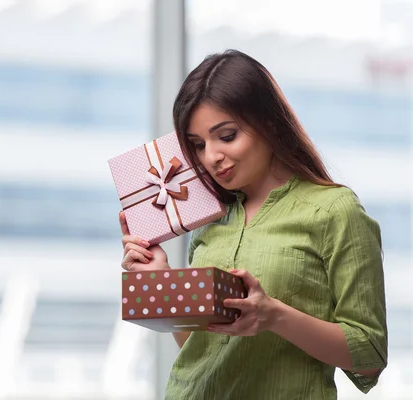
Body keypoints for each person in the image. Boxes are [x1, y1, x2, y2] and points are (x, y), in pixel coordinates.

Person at [119, 49, 387, 400]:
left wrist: (274, 316)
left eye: (226, 136)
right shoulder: (210, 219)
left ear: (269, 123)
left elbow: (369, 355)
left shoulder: (335, 212)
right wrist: (160, 278)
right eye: (198, 145)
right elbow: (202, 350)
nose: (211, 157)